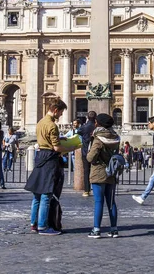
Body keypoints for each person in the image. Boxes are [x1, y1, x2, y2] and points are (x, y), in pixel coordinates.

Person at [25, 98, 75, 235]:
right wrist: (72, 147)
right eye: (60, 113)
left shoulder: (41, 122)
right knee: (46, 194)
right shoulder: (52, 125)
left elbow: (46, 139)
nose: (60, 116)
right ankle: (43, 227)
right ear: (55, 110)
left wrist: (60, 138)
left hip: (40, 157)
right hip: (49, 159)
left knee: (37, 194)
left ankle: (33, 224)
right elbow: (56, 147)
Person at [87, 113, 121, 238]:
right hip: (111, 172)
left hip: (99, 172)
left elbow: (91, 157)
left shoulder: (98, 138)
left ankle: (96, 230)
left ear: (98, 123)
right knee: (111, 202)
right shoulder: (116, 137)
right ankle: (114, 229)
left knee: (99, 201)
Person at [78, 113, 96, 197]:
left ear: (87, 117)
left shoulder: (84, 127)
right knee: (96, 170)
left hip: (85, 151)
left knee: (86, 171)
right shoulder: (97, 127)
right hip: (96, 152)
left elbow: (78, 132)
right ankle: (97, 189)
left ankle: (87, 190)